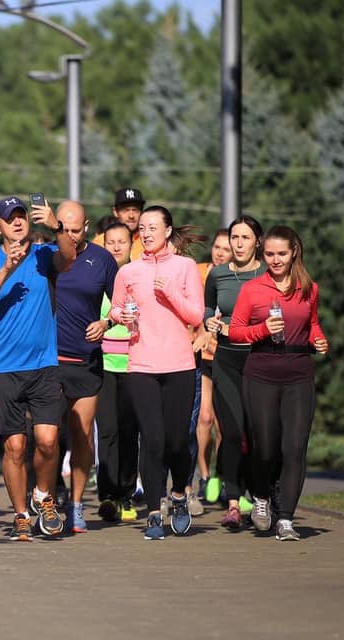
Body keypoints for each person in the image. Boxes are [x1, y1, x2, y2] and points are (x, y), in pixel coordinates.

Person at [0, 195, 76, 541]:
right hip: (5, 366)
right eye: (10, 218)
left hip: (44, 363)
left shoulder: (44, 254)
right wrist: (7, 267)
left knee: (47, 441)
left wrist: (55, 224)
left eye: (22, 216)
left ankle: (43, 497)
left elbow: (70, 255)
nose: (17, 222)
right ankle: (20, 514)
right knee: (15, 446)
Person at [109, 206, 204, 540]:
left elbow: (195, 315)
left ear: (168, 230)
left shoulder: (185, 267)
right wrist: (123, 316)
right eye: (143, 228)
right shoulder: (128, 272)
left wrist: (171, 293)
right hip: (142, 366)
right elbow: (118, 308)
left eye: (153, 227)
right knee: (152, 440)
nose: (146, 233)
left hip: (179, 365)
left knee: (178, 441)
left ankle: (178, 494)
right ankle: (153, 511)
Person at [229, 225, 328, 541]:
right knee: (266, 448)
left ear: (294, 252)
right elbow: (235, 331)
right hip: (261, 373)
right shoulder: (253, 289)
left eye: (281, 254)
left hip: (299, 373)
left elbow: (311, 324)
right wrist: (261, 331)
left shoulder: (308, 288)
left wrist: (319, 339)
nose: (274, 260)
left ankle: (285, 518)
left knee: (295, 448)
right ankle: (261, 497)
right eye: (269, 254)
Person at [53, 201, 118, 532]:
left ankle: (77, 505)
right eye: (63, 229)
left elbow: (121, 304)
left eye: (76, 230)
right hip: (47, 361)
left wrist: (106, 321)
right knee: (47, 438)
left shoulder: (102, 259)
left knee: (81, 436)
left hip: (86, 359)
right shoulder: (45, 256)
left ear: (87, 227)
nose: (70, 236)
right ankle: (49, 498)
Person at [204, 218, 265, 529]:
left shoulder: (269, 274)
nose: (239, 243)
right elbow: (207, 307)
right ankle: (232, 503)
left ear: (258, 242)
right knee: (231, 432)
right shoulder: (218, 274)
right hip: (226, 360)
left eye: (245, 237)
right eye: (234, 237)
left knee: (258, 434)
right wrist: (209, 323)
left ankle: (260, 498)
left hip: (260, 362)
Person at [95, 222, 140, 523]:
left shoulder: (139, 277)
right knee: (107, 431)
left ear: (130, 244)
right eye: (110, 241)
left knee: (129, 432)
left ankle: (127, 494)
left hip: (135, 365)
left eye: (121, 241)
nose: (116, 246)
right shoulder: (95, 279)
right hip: (103, 365)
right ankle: (108, 495)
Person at [193, 229, 234, 508]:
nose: (219, 252)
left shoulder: (237, 279)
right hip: (201, 356)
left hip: (227, 357)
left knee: (224, 425)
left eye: (226, 248)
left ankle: (222, 476)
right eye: (217, 247)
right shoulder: (198, 272)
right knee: (204, 417)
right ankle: (204, 475)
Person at [92, 188, 146, 261]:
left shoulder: (148, 241)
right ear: (115, 212)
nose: (131, 216)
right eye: (126, 210)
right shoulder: (100, 242)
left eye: (135, 210)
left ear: (141, 212)